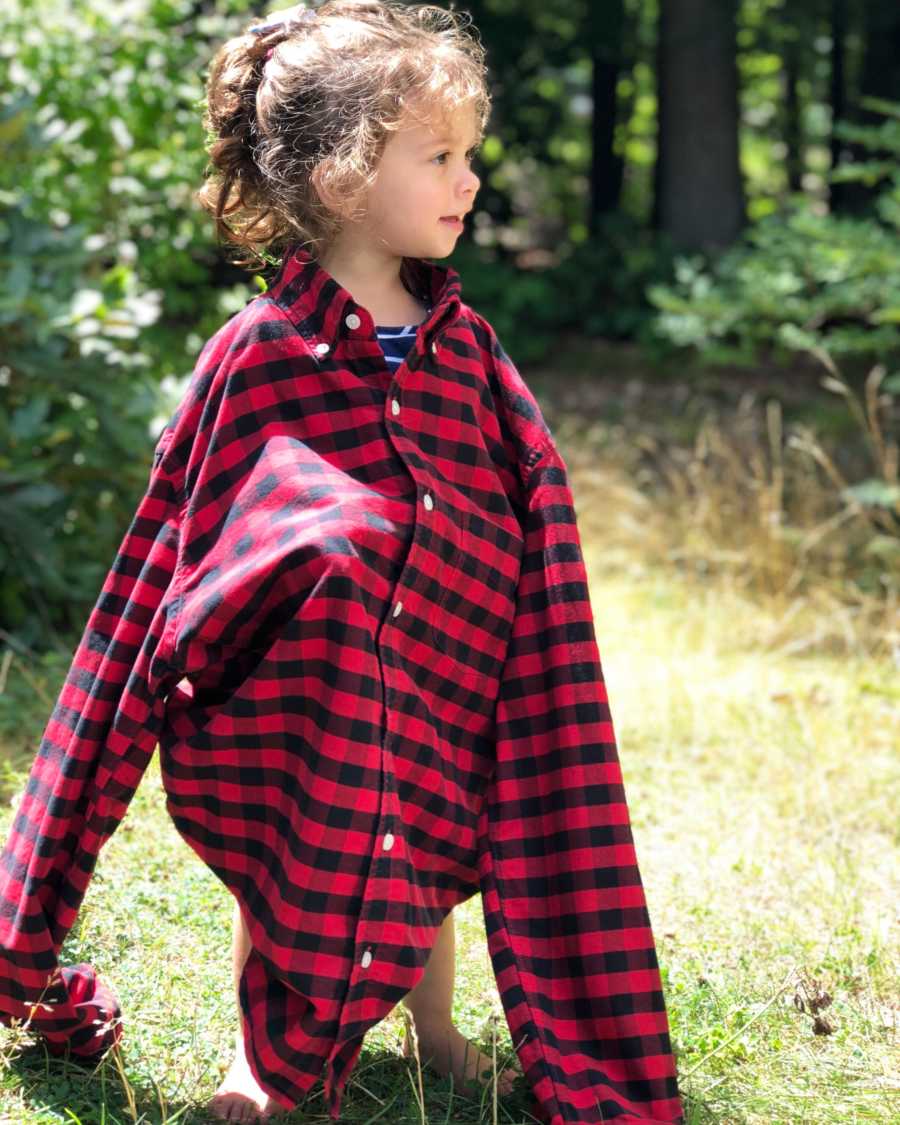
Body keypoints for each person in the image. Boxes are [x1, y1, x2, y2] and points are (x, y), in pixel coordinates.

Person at [0, 2, 685, 1123]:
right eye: (440, 157)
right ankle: (262, 1063)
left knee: (425, 846)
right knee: (293, 846)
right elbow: (203, 534)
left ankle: (437, 1032)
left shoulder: (467, 348)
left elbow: (526, 499)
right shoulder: (260, 351)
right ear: (341, 179)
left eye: (470, 154)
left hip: (445, 663)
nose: (468, 181)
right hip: (293, 689)